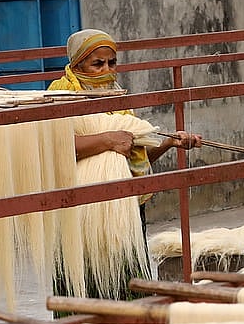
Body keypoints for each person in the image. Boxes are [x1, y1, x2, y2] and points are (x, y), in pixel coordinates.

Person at [47, 28, 202, 303]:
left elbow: (133, 160)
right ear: (77, 64)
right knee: (85, 283)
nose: (107, 70)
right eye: (97, 64)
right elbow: (54, 148)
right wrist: (106, 139)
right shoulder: (60, 95)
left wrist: (167, 143)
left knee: (127, 280)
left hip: (126, 211)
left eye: (112, 63)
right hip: (81, 212)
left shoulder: (119, 100)